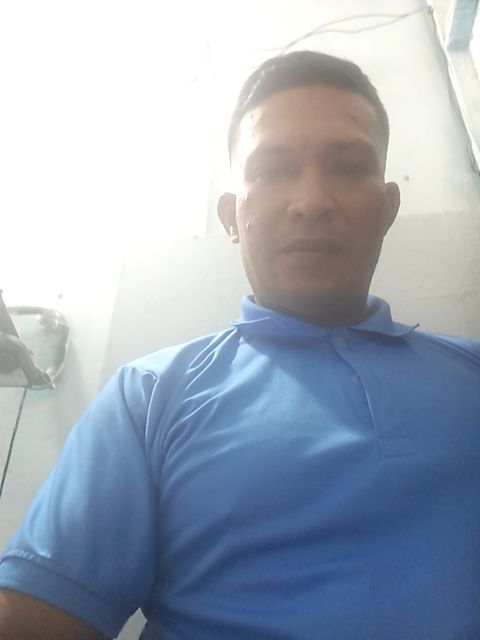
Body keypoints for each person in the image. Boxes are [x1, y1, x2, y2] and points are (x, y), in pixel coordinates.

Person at [0, 50, 479, 640]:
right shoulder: (148, 399)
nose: (311, 201)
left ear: (387, 208)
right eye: (273, 170)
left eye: (349, 166)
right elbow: (37, 621)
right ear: (230, 216)